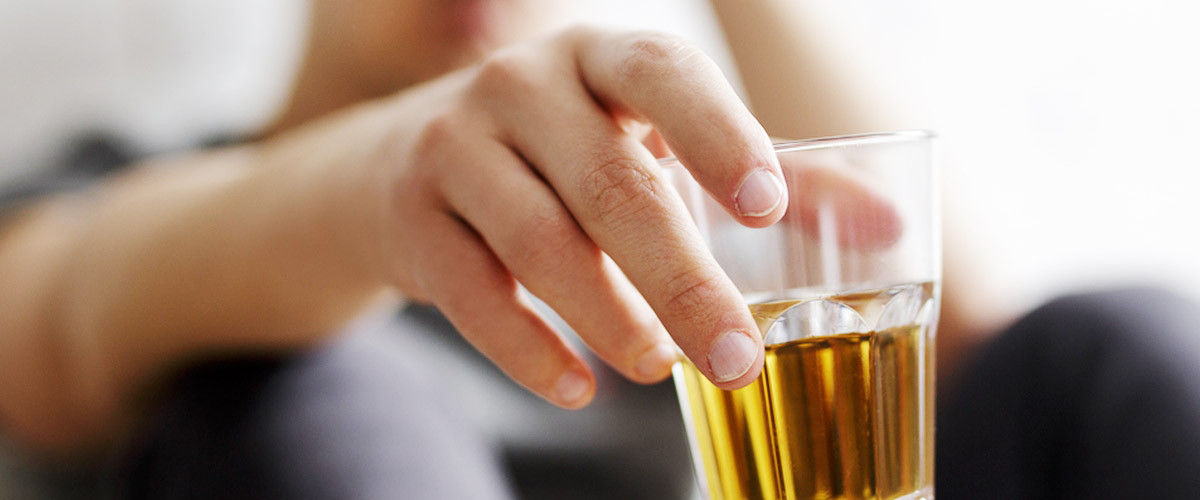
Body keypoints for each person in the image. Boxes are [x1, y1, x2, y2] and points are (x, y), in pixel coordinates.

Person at [3, 1, 1200, 498]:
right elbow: (53, 320)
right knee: (294, 375)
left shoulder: (661, 225)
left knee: (1115, 335)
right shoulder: (124, 185)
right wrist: (381, 181)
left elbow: (953, 359)